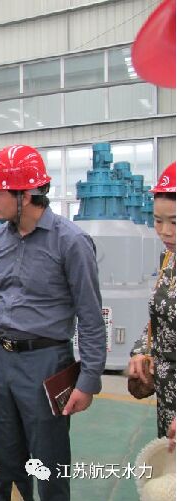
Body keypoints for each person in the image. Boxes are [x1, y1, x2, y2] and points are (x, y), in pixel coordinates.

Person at [0, 145, 106, 501]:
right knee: (7, 459)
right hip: (2, 359)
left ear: (25, 194)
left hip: (46, 363)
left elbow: (90, 316)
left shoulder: (71, 242)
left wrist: (88, 380)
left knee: (48, 464)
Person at [128, 162, 176, 447]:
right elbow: (162, 317)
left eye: (175, 221)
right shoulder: (170, 259)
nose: (165, 231)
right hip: (168, 393)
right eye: (158, 220)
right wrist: (141, 350)